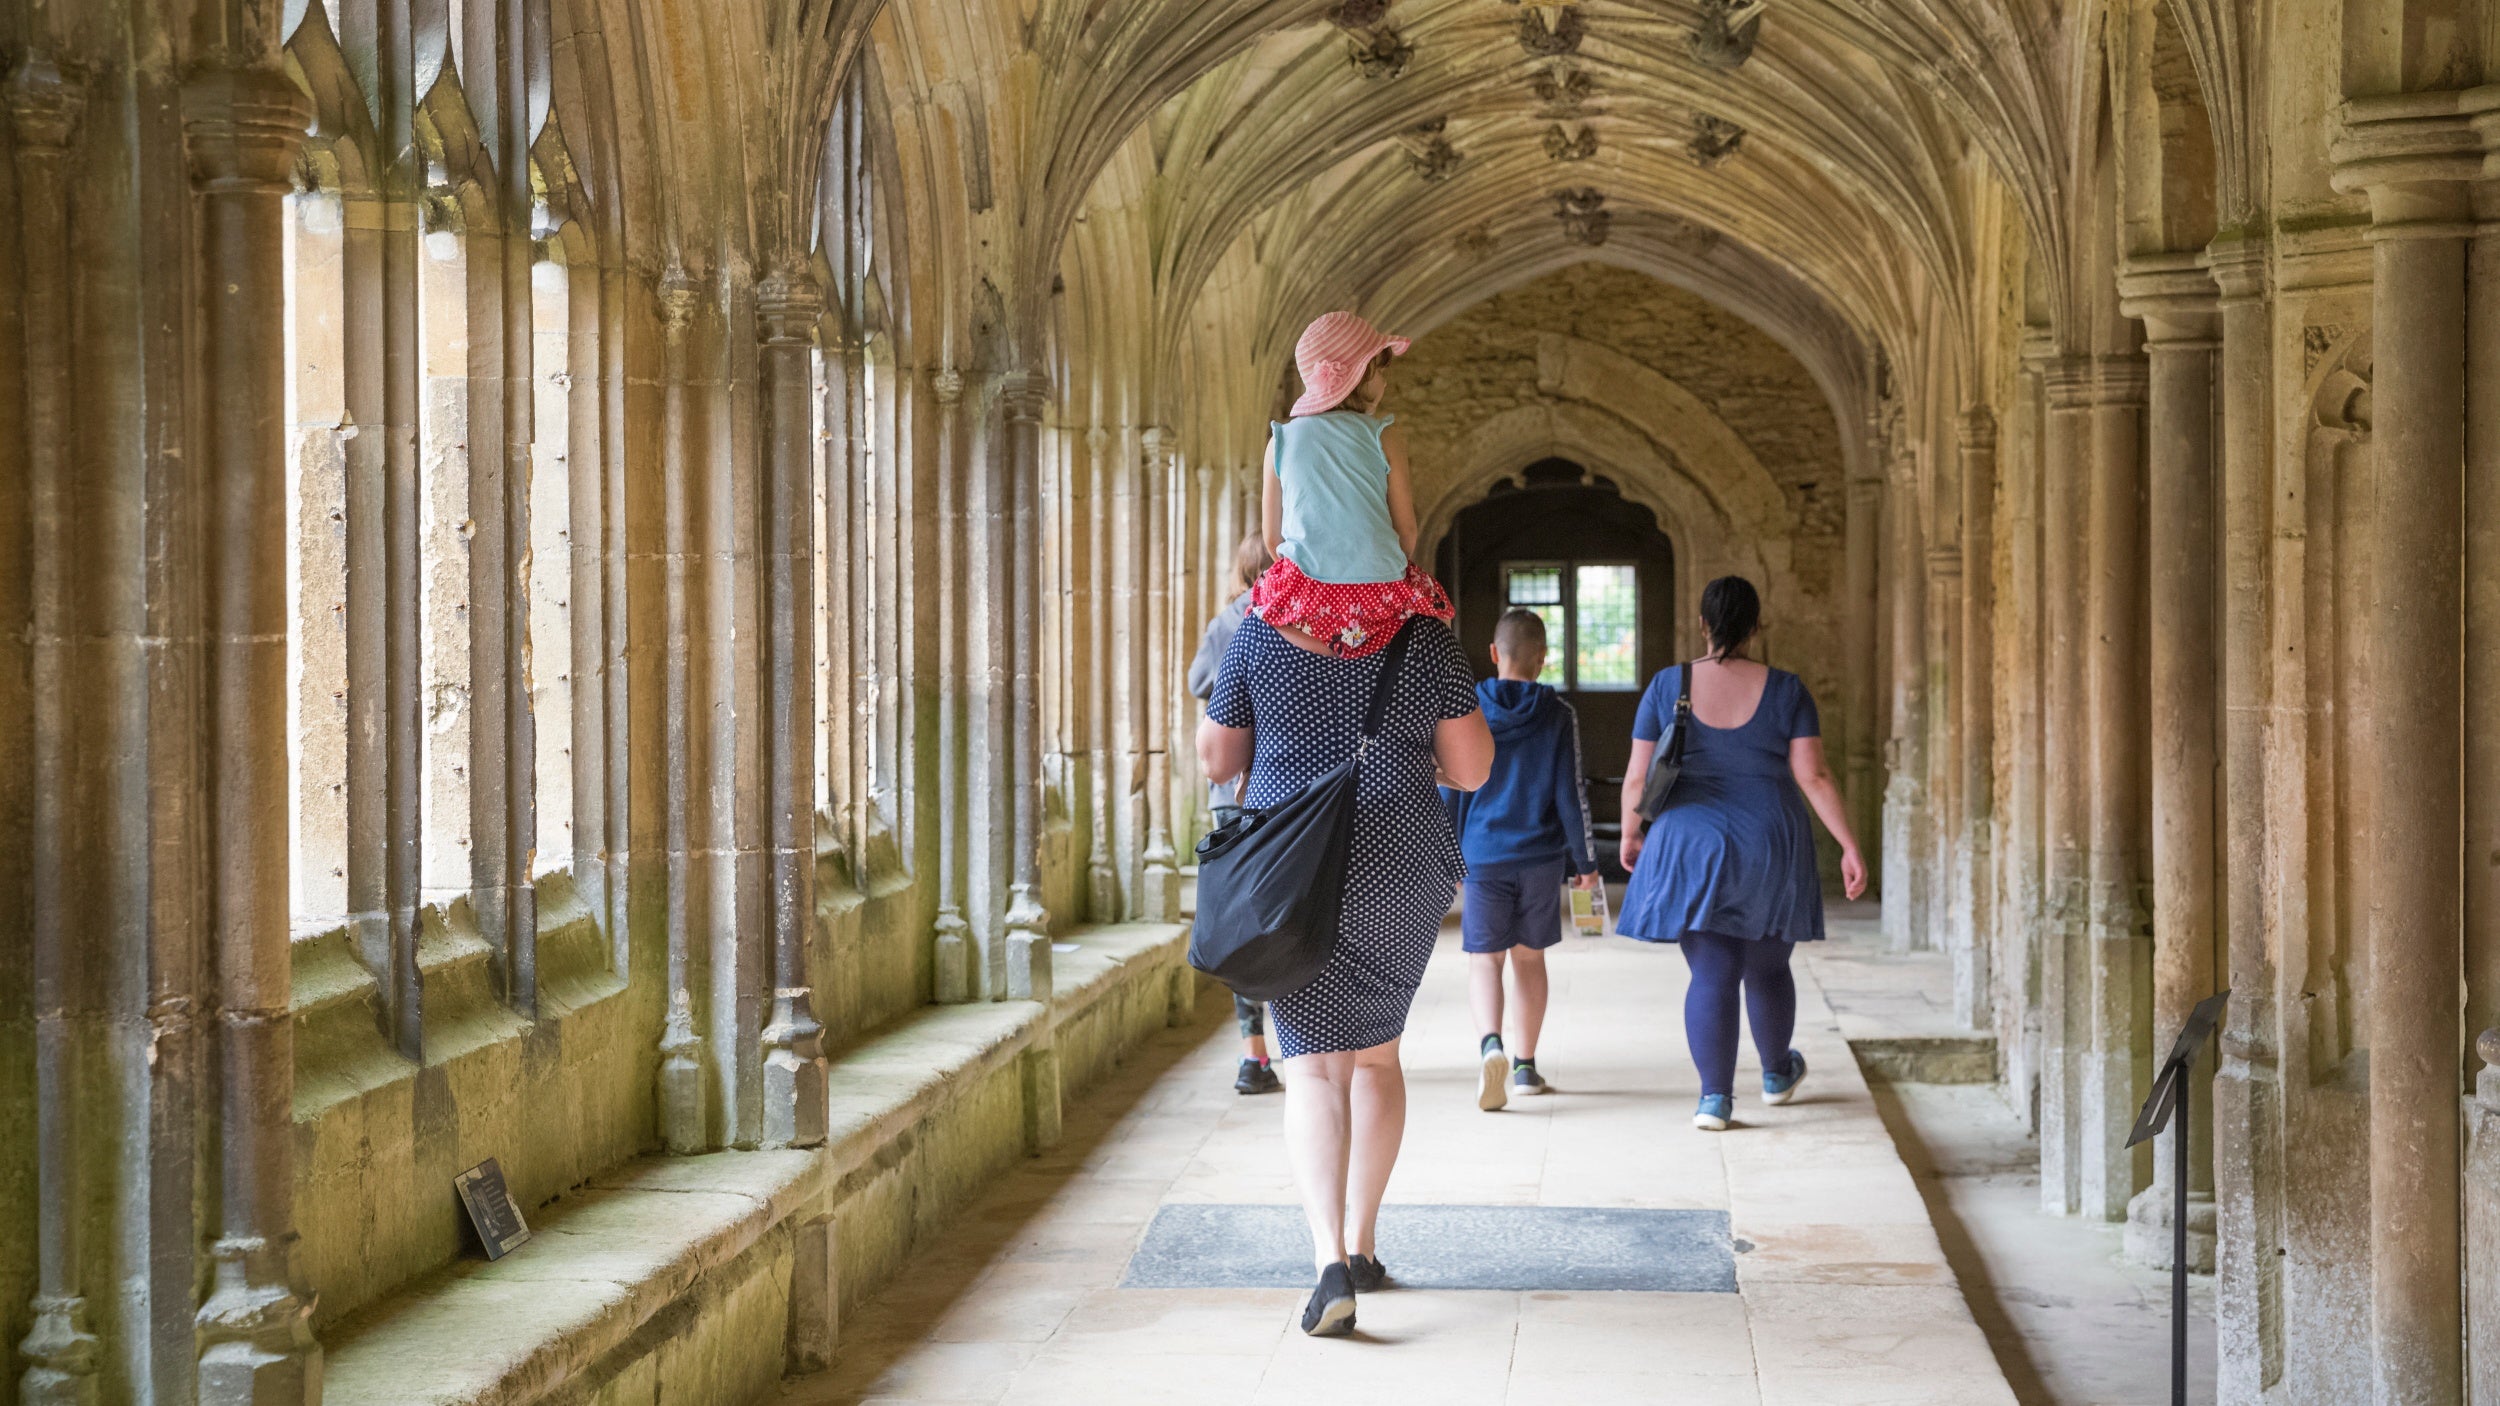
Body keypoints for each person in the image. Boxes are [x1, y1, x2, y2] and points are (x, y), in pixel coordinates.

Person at [1198, 604, 1490, 1337]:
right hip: (1400, 856)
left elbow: (1218, 759)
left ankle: (1329, 1262)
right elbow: (1472, 767)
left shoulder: (1260, 629)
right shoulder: (1425, 636)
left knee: (1315, 1070)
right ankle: (1362, 1246)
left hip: (1293, 867)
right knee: (1377, 1058)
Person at [1615, 576, 1867, 1132]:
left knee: (1712, 970)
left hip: (1687, 840)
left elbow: (1638, 778)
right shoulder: (1788, 690)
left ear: (1703, 624)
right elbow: (1814, 775)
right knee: (1769, 966)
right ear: (1757, 626)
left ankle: (1714, 1100)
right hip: (1769, 840)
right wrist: (1850, 844)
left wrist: (1632, 835)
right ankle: (1777, 1074)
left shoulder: (1666, 685)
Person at [1442, 608, 1599, 1112]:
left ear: (1493, 654)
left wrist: (1448, 854)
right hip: (1539, 857)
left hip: (1483, 855)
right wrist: (1587, 860)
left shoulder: (1468, 708)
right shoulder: (1559, 715)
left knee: (1485, 961)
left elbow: (1457, 788)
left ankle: (1492, 1045)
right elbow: (1570, 793)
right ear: (1543, 658)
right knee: (1529, 960)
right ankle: (1527, 1068)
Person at [1252, 310, 1454, 659]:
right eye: (1379, 371)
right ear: (1358, 375)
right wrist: (1379, 573)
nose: (1386, 384)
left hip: (1307, 590)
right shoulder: (1385, 435)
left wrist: (1312, 579)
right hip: (1379, 585)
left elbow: (1272, 538)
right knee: (1441, 627)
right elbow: (1406, 530)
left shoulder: (1279, 442)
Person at [1190, 533, 1283, 1096]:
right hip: (1283, 794)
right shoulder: (1300, 615)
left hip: (1231, 799)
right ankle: (1315, 1039)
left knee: (1241, 927)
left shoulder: (1229, 621)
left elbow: (1199, 682)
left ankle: (1255, 1054)